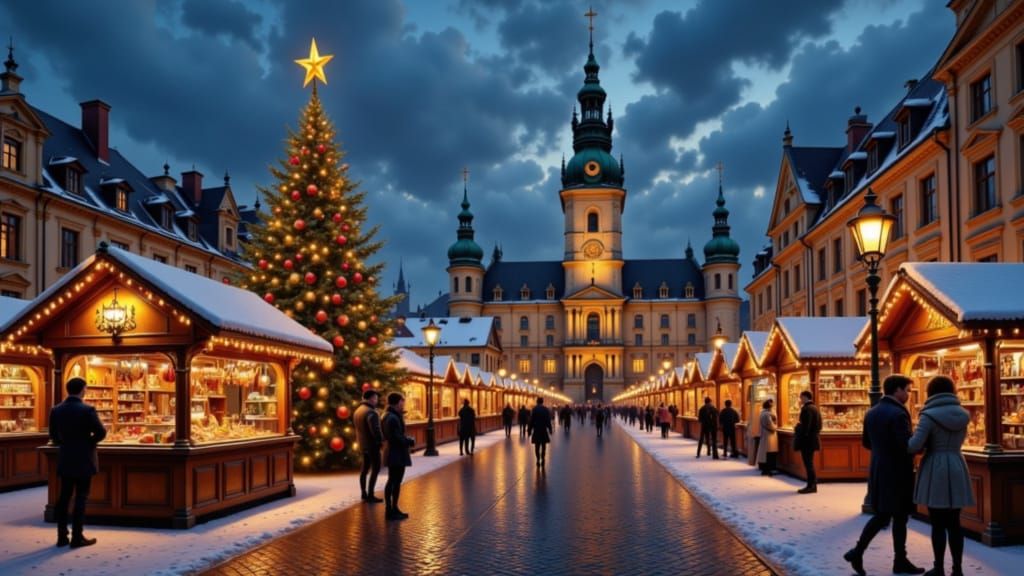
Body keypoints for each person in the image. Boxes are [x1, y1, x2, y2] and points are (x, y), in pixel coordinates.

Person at [844, 375, 925, 576]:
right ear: (896, 390)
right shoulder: (898, 414)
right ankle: (885, 557)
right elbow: (905, 445)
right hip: (898, 472)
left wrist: (882, 451)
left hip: (879, 469)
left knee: (885, 515)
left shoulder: (872, 412)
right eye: (906, 390)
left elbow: (866, 443)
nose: (908, 394)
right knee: (896, 517)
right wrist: (920, 444)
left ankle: (890, 558)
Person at [908, 376, 974, 576]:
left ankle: (938, 568)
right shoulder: (963, 414)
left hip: (935, 466)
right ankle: (958, 569)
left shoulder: (928, 415)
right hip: (956, 463)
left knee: (937, 523)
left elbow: (914, 445)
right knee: (955, 522)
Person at [49, 376, 106, 548]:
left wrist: (66, 444)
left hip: (66, 457)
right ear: (82, 389)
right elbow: (101, 432)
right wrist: (88, 442)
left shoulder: (56, 410)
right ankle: (77, 536)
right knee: (81, 497)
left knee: (64, 496)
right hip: (83, 458)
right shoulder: (87, 409)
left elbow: (53, 435)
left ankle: (61, 536)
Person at [382, 392, 414, 520]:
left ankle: (391, 508)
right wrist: (409, 441)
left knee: (393, 481)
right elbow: (396, 437)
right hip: (396, 453)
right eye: (402, 402)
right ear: (397, 402)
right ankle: (391, 509)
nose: (403, 404)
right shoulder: (393, 417)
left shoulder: (388, 415)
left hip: (392, 452)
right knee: (395, 481)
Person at [353, 389, 384, 503]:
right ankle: (371, 494)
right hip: (372, 446)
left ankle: (363, 493)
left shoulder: (357, 411)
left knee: (364, 469)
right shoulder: (371, 412)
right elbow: (375, 430)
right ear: (370, 398)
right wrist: (380, 441)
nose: (376, 401)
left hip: (362, 445)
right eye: (375, 398)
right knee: (375, 469)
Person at [794, 390, 822, 494]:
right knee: (809, 462)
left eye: (801, 397)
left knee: (808, 463)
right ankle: (812, 484)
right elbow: (819, 426)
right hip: (813, 439)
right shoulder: (815, 408)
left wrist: (798, 427)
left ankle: (811, 485)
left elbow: (806, 426)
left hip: (807, 441)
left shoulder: (806, 409)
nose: (800, 400)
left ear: (805, 397)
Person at [527, 397, 553, 467]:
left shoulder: (534, 409)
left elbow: (531, 421)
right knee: (544, 446)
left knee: (537, 446)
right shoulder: (545, 409)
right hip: (543, 430)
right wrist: (550, 429)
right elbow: (548, 420)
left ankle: (538, 459)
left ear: (537, 402)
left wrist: (529, 430)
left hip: (536, 430)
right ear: (542, 402)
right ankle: (543, 458)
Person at [756, 399, 777, 475]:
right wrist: (775, 427)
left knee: (766, 452)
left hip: (766, 435)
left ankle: (766, 468)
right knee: (769, 453)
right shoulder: (767, 414)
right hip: (769, 436)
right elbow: (770, 425)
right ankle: (768, 469)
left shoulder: (763, 413)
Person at [746, 398, 761, 467]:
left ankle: (752, 460)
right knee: (754, 448)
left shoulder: (752, 414)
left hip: (752, 433)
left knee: (752, 448)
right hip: (755, 433)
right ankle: (754, 461)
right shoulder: (757, 414)